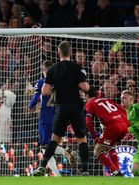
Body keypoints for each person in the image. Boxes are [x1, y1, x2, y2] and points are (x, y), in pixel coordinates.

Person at [33, 41, 90, 176]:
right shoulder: (78, 68)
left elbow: (45, 91)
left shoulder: (53, 70)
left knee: (53, 140)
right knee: (82, 139)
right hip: (76, 107)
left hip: (61, 108)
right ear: (71, 53)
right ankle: (85, 170)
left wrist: (54, 87)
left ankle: (42, 166)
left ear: (58, 52)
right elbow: (85, 88)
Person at [28, 60, 76, 176]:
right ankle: (57, 173)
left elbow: (35, 99)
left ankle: (64, 154)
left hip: (46, 118)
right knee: (49, 146)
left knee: (45, 147)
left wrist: (30, 106)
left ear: (43, 70)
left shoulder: (41, 82)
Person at [85, 86, 129, 176]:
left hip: (113, 127)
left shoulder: (90, 103)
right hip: (123, 126)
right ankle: (117, 172)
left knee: (97, 151)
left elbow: (88, 122)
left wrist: (94, 137)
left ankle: (115, 172)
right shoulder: (106, 99)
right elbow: (122, 110)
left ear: (86, 95)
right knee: (110, 147)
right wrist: (127, 124)